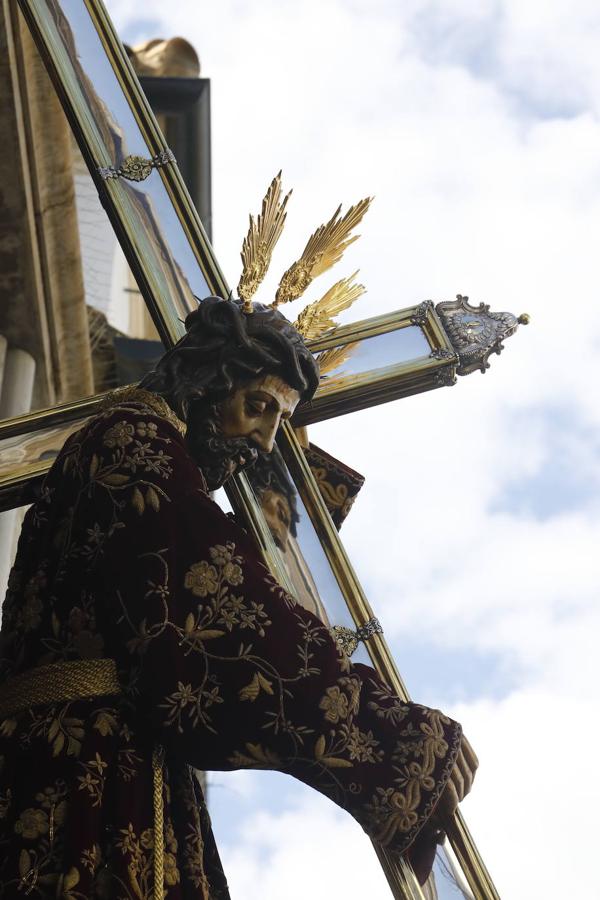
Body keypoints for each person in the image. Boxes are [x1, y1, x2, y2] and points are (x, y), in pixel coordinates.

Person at [0, 297, 476, 898]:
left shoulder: (131, 447)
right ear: (207, 381)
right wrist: (395, 739)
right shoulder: (135, 439)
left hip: (84, 757)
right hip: (89, 780)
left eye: (280, 420)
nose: (265, 440)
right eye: (257, 406)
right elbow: (224, 621)